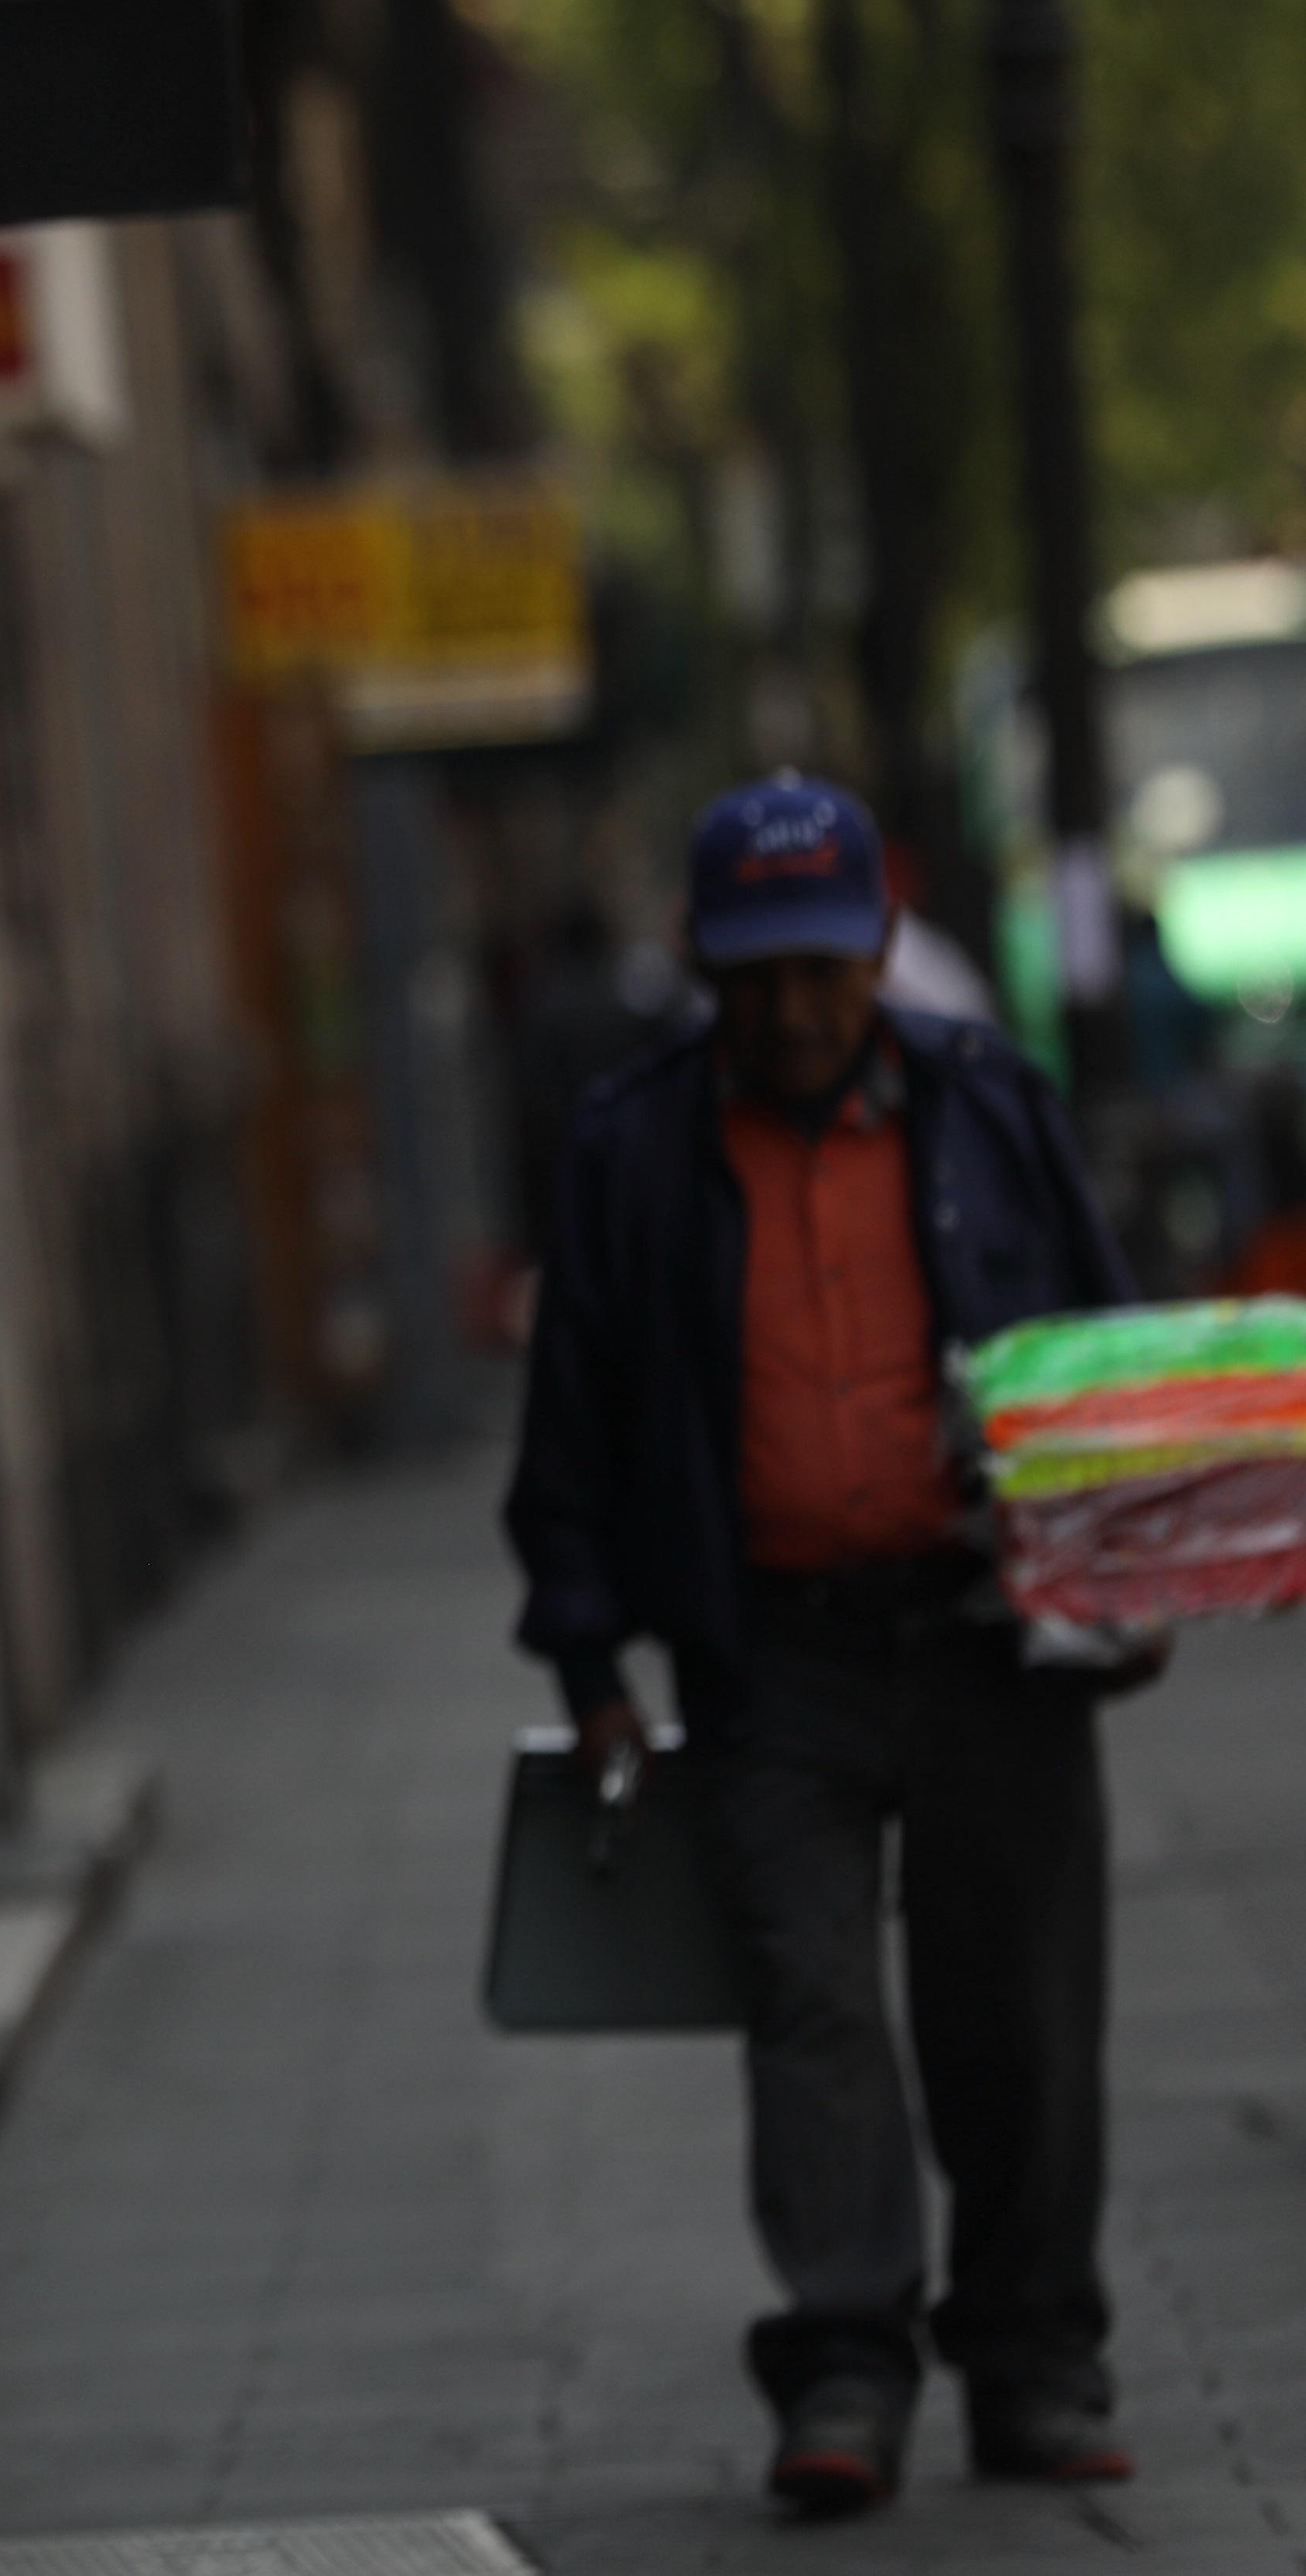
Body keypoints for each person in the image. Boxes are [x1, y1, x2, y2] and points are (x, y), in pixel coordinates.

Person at [506, 771, 1145, 2518]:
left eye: (821, 967)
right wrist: (586, 1662)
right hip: (763, 1651)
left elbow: (1098, 1362)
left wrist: (1124, 1581)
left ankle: (1029, 2360)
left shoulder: (985, 1107)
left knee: (1014, 2017)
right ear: (699, 963)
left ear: (877, 943)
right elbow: (567, 1431)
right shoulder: (632, 1147)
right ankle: (847, 2361)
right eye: (753, 973)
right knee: (810, 2013)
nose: (791, 1009)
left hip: (983, 1636)